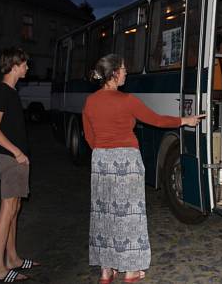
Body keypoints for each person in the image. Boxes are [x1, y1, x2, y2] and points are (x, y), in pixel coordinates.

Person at [82, 54, 204, 283]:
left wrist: (104, 153)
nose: (127, 73)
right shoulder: (127, 100)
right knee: (130, 215)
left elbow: (90, 137)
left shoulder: (90, 102)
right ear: (115, 73)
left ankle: (106, 271)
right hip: (127, 161)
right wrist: (185, 120)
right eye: (125, 69)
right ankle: (131, 271)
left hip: (101, 161)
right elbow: (156, 120)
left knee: (103, 214)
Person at [0, 47, 40, 282]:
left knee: (15, 210)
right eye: (25, 64)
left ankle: (13, 259)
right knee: (7, 210)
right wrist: (17, 152)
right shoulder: (3, 92)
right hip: (10, 159)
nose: (28, 67)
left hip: (16, 160)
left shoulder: (11, 91)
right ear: (15, 65)